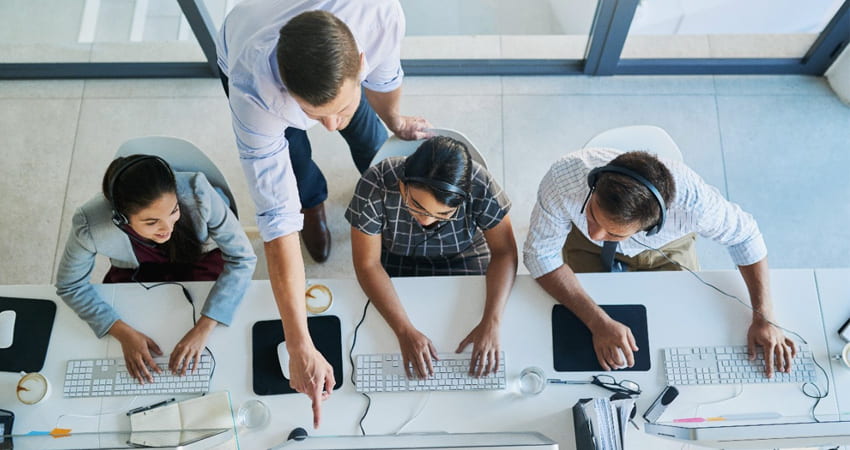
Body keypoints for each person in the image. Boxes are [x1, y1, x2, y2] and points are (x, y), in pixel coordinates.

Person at [216, 0, 430, 426]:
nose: (330, 126)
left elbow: (385, 79)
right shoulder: (253, 88)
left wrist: (393, 119)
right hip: (247, 35)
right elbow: (277, 222)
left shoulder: (380, 17)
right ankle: (314, 204)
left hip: (340, 51)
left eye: (340, 109)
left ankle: (369, 167)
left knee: (372, 141)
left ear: (361, 61)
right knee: (294, 161)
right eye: (317, 115)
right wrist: (299, 345)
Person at [524, 148, 796, 377]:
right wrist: (598, 322)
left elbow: (745, 236)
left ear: (651, 226)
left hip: (666, 248)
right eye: (593, 213)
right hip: (581, 243)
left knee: (677, 328)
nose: (597, 233)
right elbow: (540, 255)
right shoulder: (564, 179)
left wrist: (764, 316)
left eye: (614, 232)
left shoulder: (695, 205)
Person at [55, 155, 256, 384]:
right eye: (151, 222)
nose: (167, 228)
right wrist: (121, 331)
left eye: (174, 211)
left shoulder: (197, 191)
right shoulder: (89, 224)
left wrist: (204, 327)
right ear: (121, 219)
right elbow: (70, 285)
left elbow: (243, 258)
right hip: (139, 269)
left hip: (200, 259)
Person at [345, 136, 517, 378]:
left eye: (444, 214)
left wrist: (492, 321)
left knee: (465, 324)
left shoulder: (480, 184)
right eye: (417, 205)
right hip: (397, 257)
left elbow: (504, 252)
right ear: (403, 185)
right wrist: (404, 331)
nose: (426, 220)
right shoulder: (376, 183)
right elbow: (367, 264)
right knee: (382, 337)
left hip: (463, 254)